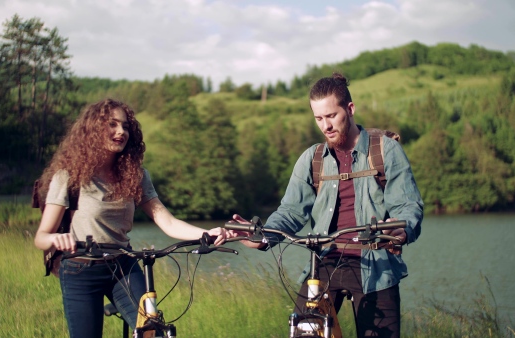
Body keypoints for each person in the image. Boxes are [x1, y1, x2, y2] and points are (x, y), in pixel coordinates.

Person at [231, 73, 423, 338]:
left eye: (331, 116)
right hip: (323, 263)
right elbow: (290, 212)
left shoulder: (385, 151)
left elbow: (407, 206)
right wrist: (262, 238)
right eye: (319, 118)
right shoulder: (313, 158)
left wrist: (402, 230)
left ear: (350, 109)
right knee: (303, 334)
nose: (326, 126)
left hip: (376, 265)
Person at [34, 98, 229, 338]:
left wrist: (206, 234)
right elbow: (41, 238)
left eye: (125, 126)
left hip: (123, 264)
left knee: (153, 333)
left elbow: (166, 221)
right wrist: (56, 239)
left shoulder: (135, 176)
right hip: (80, 268)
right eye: (112, 125)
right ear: (93, 129)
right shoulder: (69, 177)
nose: (120, 132)